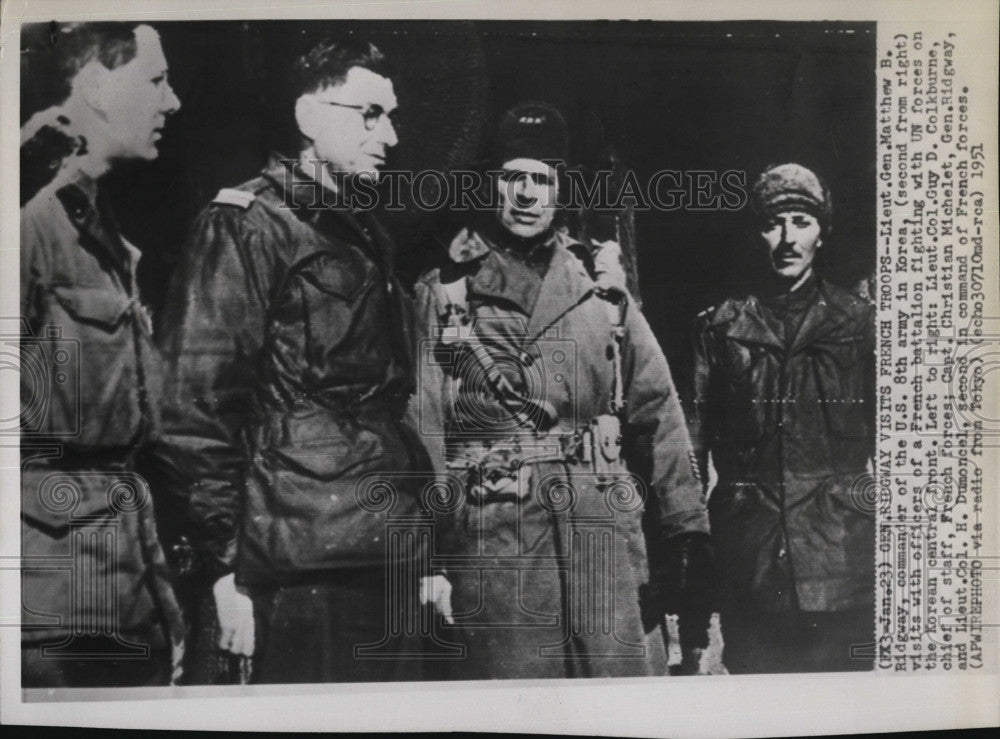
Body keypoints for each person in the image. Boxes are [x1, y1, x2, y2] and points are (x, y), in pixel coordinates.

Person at [154, 38, 432, 684]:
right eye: (369, 114)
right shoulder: (247, 225)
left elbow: (388, 407)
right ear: (309, 116)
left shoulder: (366, 235)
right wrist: (225, 567)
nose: (389, 136)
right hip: (293, 566)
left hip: (381, 552)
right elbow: (192, 408)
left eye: (391, 116)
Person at [415, 102, 714, 679]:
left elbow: (657, 406)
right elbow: (425, 427)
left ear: (560, 188)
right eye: (513, 177)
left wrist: (685, 531)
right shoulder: (446, 291)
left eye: (543, 178)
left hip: (601, 531)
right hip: (497, 542)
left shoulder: (601, 291)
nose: (527, 194)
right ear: (492, 184)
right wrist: (429, 556)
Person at [19, 22, 183, 687]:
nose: (172, 103)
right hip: (48, 602)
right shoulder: (29, 216)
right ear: (93, 84)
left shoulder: (92, 219)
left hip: (120, 581)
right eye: (156, 80)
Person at [690, 163, 876, 673]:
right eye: (774, 223)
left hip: (842, 565)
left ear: (823, 231)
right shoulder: (720, 329)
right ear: (756, 232)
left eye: (802, 221)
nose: (788, 238)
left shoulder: (859, 323)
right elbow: (692, 449)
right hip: (753, 565)